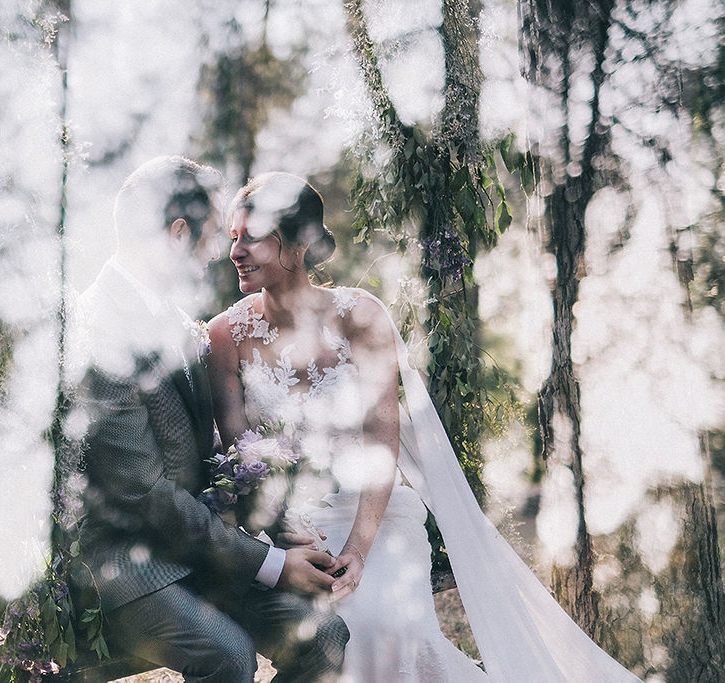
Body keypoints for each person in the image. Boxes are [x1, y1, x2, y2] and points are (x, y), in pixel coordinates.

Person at [206, 171, 642, 682]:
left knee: (383, 624)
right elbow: (244, 459)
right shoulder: (225, 335)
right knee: (337, 633)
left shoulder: (361, 316)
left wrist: (357, 552)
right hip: (290, 532)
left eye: (252, 237)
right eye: (233, 238)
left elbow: (383, 441)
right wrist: (289, 539)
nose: (235, 252)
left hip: (375, 517)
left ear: (297, 242)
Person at [68, 157, 349, 682]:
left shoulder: (172, 315)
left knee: (326, 637)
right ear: (178, 235)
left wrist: (279, 533)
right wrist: (270, 565)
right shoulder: (100, 330)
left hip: (195, 547)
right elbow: (145, 494)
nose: (218, 254)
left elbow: (208, 457)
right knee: (227, 654)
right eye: (211, 238)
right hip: (127, 564)